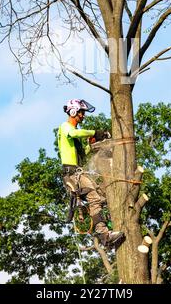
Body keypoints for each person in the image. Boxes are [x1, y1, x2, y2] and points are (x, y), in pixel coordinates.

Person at [58, 99, 124, 246]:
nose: (83, 116)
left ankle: (107, 226)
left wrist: (93, 145)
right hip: (72, 174)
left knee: (102, 195)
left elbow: (82, 153)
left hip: (78, 173)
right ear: (73, 111)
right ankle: (104, 234)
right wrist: (96, 132)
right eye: (81, 113)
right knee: (94, 197)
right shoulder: (65, 127)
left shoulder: (74, 136)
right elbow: (75, 134)